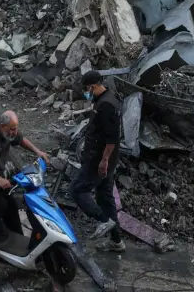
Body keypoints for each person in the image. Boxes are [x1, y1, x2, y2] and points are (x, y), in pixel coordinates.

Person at [0, 110, 50, 287]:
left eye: (16, 128)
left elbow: (21, 140)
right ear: (2, 127)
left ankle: (18, 254)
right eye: (12, 129)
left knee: (13, 211)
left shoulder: (9, 131)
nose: (14, 132)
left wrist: (39, 152)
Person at [71, 70, 125, 252]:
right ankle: (117, 242)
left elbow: (112, 138)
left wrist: (103, 160)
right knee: (105, 198)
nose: (86, 93)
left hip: (99, 159)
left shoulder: (107, 105)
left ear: (93, 86)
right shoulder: (105, 99)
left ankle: (103, 221)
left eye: (87, 90)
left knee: (77, 190)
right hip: (102, 158)